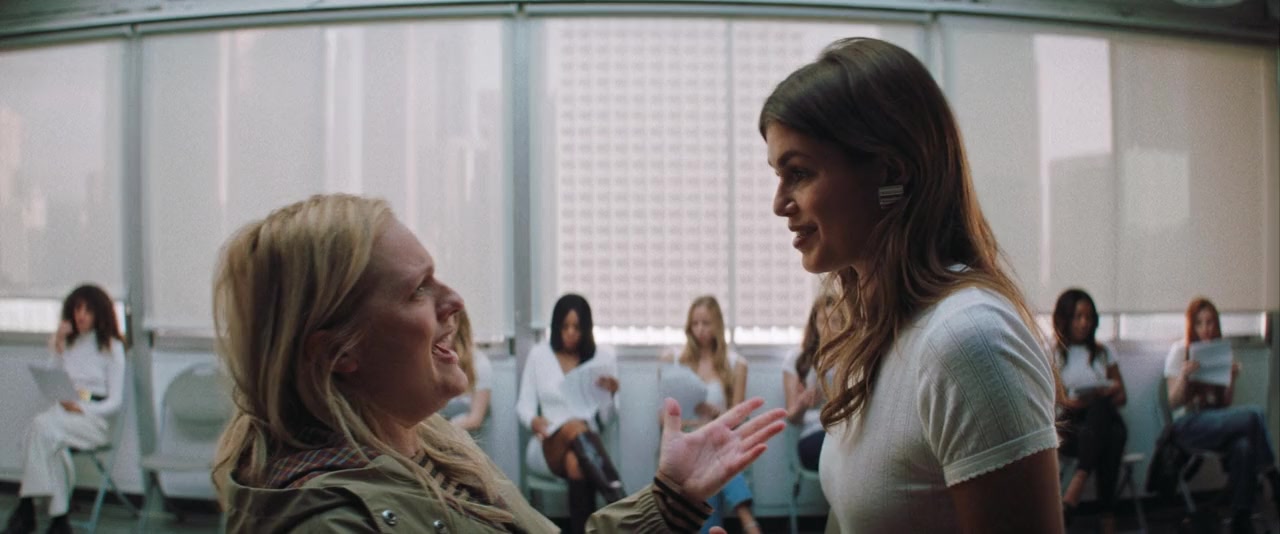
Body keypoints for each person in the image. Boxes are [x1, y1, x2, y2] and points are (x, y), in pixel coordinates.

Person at [211, 194, 786, 533]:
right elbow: (527, 411)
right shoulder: (330, 523)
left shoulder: (429, 446)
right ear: (338, 353)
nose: (455, 301)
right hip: (552, 441)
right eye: (417, 289)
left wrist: (668, 499)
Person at [760, 37, 1062, 532]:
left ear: (892, 171)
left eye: (799, 172)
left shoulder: (970, 341)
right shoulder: (870, 334)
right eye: (778, 174)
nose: (779, 203)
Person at [2, 284, 127, 534]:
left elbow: (115, 402)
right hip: (61, 416)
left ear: (99, 313)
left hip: (93, 421)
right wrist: (58, 344)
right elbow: (52, 378)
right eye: (77, 309)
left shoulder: (112, 347)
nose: (81, 315)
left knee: (37, 429)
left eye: (87, 310)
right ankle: (59, 521)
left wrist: (83, 409)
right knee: (52, 445)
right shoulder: (70, 343)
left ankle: (26, 508)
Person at [1164, 297, 1280, 534]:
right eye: (1200, 323)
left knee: (1244, 446)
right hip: (1187, 425)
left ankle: (1241, 518)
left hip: (1216, 422)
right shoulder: (1180, 351)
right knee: (1254, 415)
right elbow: (1173, 402)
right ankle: (1274, 479)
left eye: (1211, 323)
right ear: (1192, 326)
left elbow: (1225, 404)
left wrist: (1231, 379)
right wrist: (1184, 377)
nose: (1206, 329)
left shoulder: (1221, 351)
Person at [517, 293, 626, 533]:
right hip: (547, 444)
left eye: (577, 327)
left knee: (575, 463)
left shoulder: (602, 358)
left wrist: (610, 396)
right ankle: (620, 503)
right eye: (565, 326)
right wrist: (534, 421)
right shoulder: (539, 355)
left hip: (585, 449)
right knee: (573, 425)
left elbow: (606, 420)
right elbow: (524, 405)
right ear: (556, 327)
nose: (570, 333)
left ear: (586, 329)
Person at [660, 296, 759, 534]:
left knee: (709, 457)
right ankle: (747, 519)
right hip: (686, 438)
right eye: (695, 323)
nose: (700, 329)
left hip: (718, 437)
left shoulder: (735, 364)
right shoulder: (674, 361)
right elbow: (662, 420)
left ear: (717, 325)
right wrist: (689, 422)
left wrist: (716, 413)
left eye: (706, 323)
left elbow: (738, 418)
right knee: (707, 458)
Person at [1052, 289, 1127, 533]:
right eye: (1078, 317)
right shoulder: (1054, 354)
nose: (1085, 323)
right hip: (1070, 426)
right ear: (1065, 319)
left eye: (1089, 317)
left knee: (1104, 413)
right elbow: (1054, 400)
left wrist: (1107, 391)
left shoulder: (1104, 352)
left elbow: (1122, 397)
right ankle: (1108, 516)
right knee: (1114, 434)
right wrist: (1079, 401)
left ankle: (1079, 479)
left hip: (1097, 423)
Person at [782, 292, 836, 472]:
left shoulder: (851, 359)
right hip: (813, 434)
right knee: (842, 449)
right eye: (823, 322)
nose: (829, 328)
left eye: (835, 321)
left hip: (843, 432)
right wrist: (803, 403)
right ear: (814, 324)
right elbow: (792, 417)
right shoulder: (796, 359)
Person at [442, 309, 491, 433]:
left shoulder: (479, 363)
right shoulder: (426, 362)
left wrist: (441, 432)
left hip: (461, 437)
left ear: (457, 325)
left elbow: (475, 419)